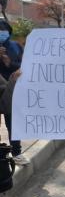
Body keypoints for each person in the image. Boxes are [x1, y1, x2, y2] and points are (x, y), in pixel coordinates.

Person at [0, 20, 26, 165]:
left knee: (13, 123)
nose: (1, 32)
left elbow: (24, 66)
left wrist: (10, 63)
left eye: (3, 29)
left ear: (8, 31)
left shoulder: (16, 47)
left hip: (12, 91)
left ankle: (16, 152)